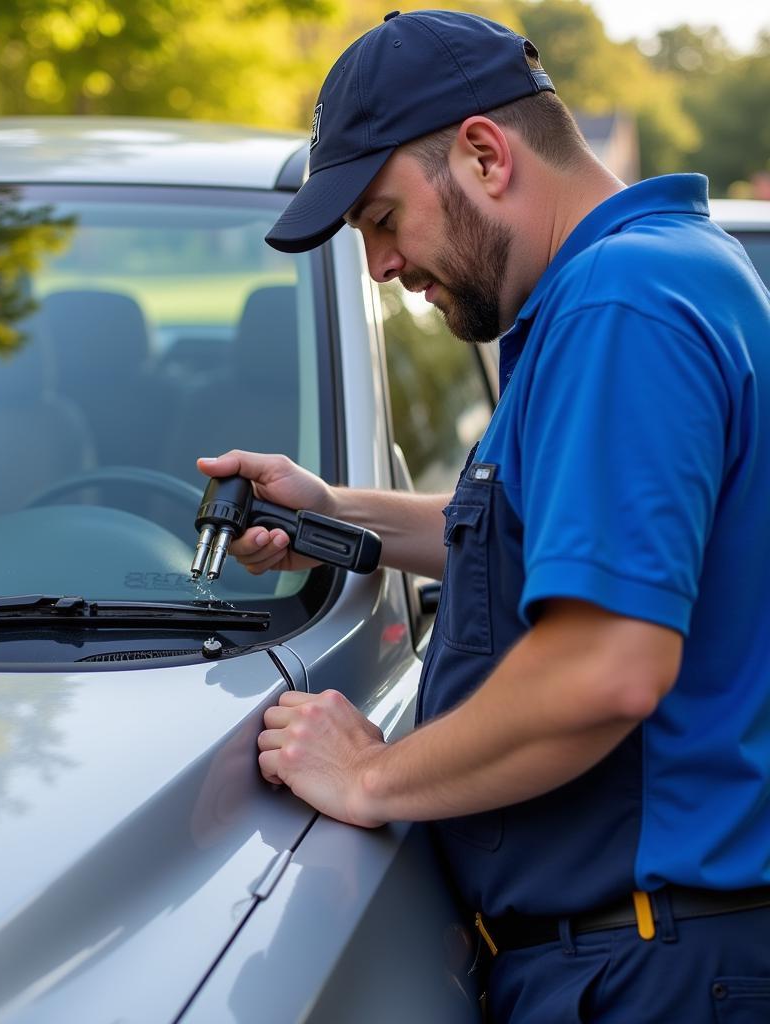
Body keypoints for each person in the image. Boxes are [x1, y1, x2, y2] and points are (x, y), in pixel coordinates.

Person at [197, 10, 770, 1023]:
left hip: (648, 972)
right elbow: (531, 534)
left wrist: (372, 773)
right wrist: (333, 508)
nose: (377, 265)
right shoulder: (653, 272)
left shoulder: (619, 301)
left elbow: (608, 667)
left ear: (482, 154)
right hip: (653, 953)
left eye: (379, 218)